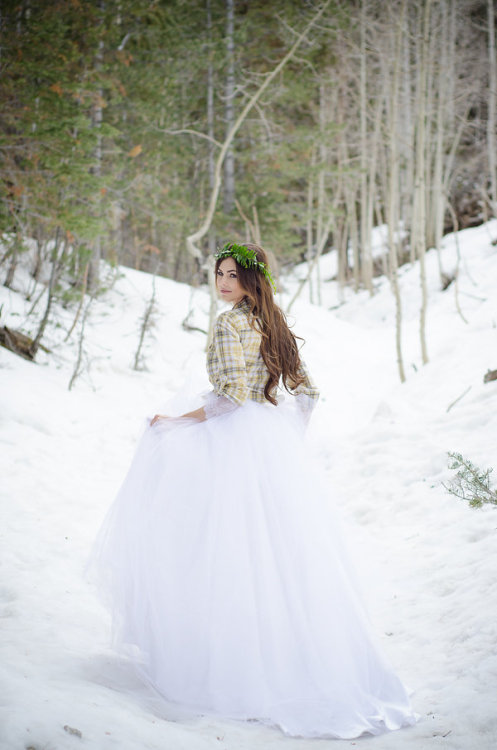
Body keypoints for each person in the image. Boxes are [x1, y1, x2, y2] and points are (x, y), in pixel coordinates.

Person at [92, 242, 417, 739]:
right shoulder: (274, 323)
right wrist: (285, 442)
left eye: (230, 275)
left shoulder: (227, 324)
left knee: (221, 552)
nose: (221, 283)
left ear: (250, 279)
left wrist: (177, 422)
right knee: (277, 559)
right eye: (217, 274)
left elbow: (226, 400)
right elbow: (307, 393)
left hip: (233, 441)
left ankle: (231, 669)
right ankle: (294, 661)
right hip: (267, 443)